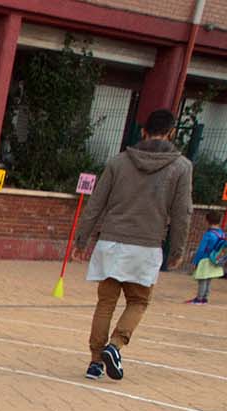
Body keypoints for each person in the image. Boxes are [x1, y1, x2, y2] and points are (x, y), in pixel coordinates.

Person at [75, 108, 193, 381]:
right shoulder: (181, 167)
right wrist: (176, 250)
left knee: (105, 302)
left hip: (111, 242)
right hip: (146, 245)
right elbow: (182, 212)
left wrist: (82, 238)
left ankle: (95, 361)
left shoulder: (119, 162)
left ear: (143, 131)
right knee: (138, 301)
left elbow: (97, 203)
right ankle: (115, 344)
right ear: (172, 133)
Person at [187, 211, 224, 304]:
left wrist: (195, 261)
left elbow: (201, 249)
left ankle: (199, 298)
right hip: (215, 259)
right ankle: (205, 297)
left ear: (207, 221)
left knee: (202, 278)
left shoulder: (208, 234)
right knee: (208, 279)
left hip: (205, 259)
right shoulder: (222, 234)